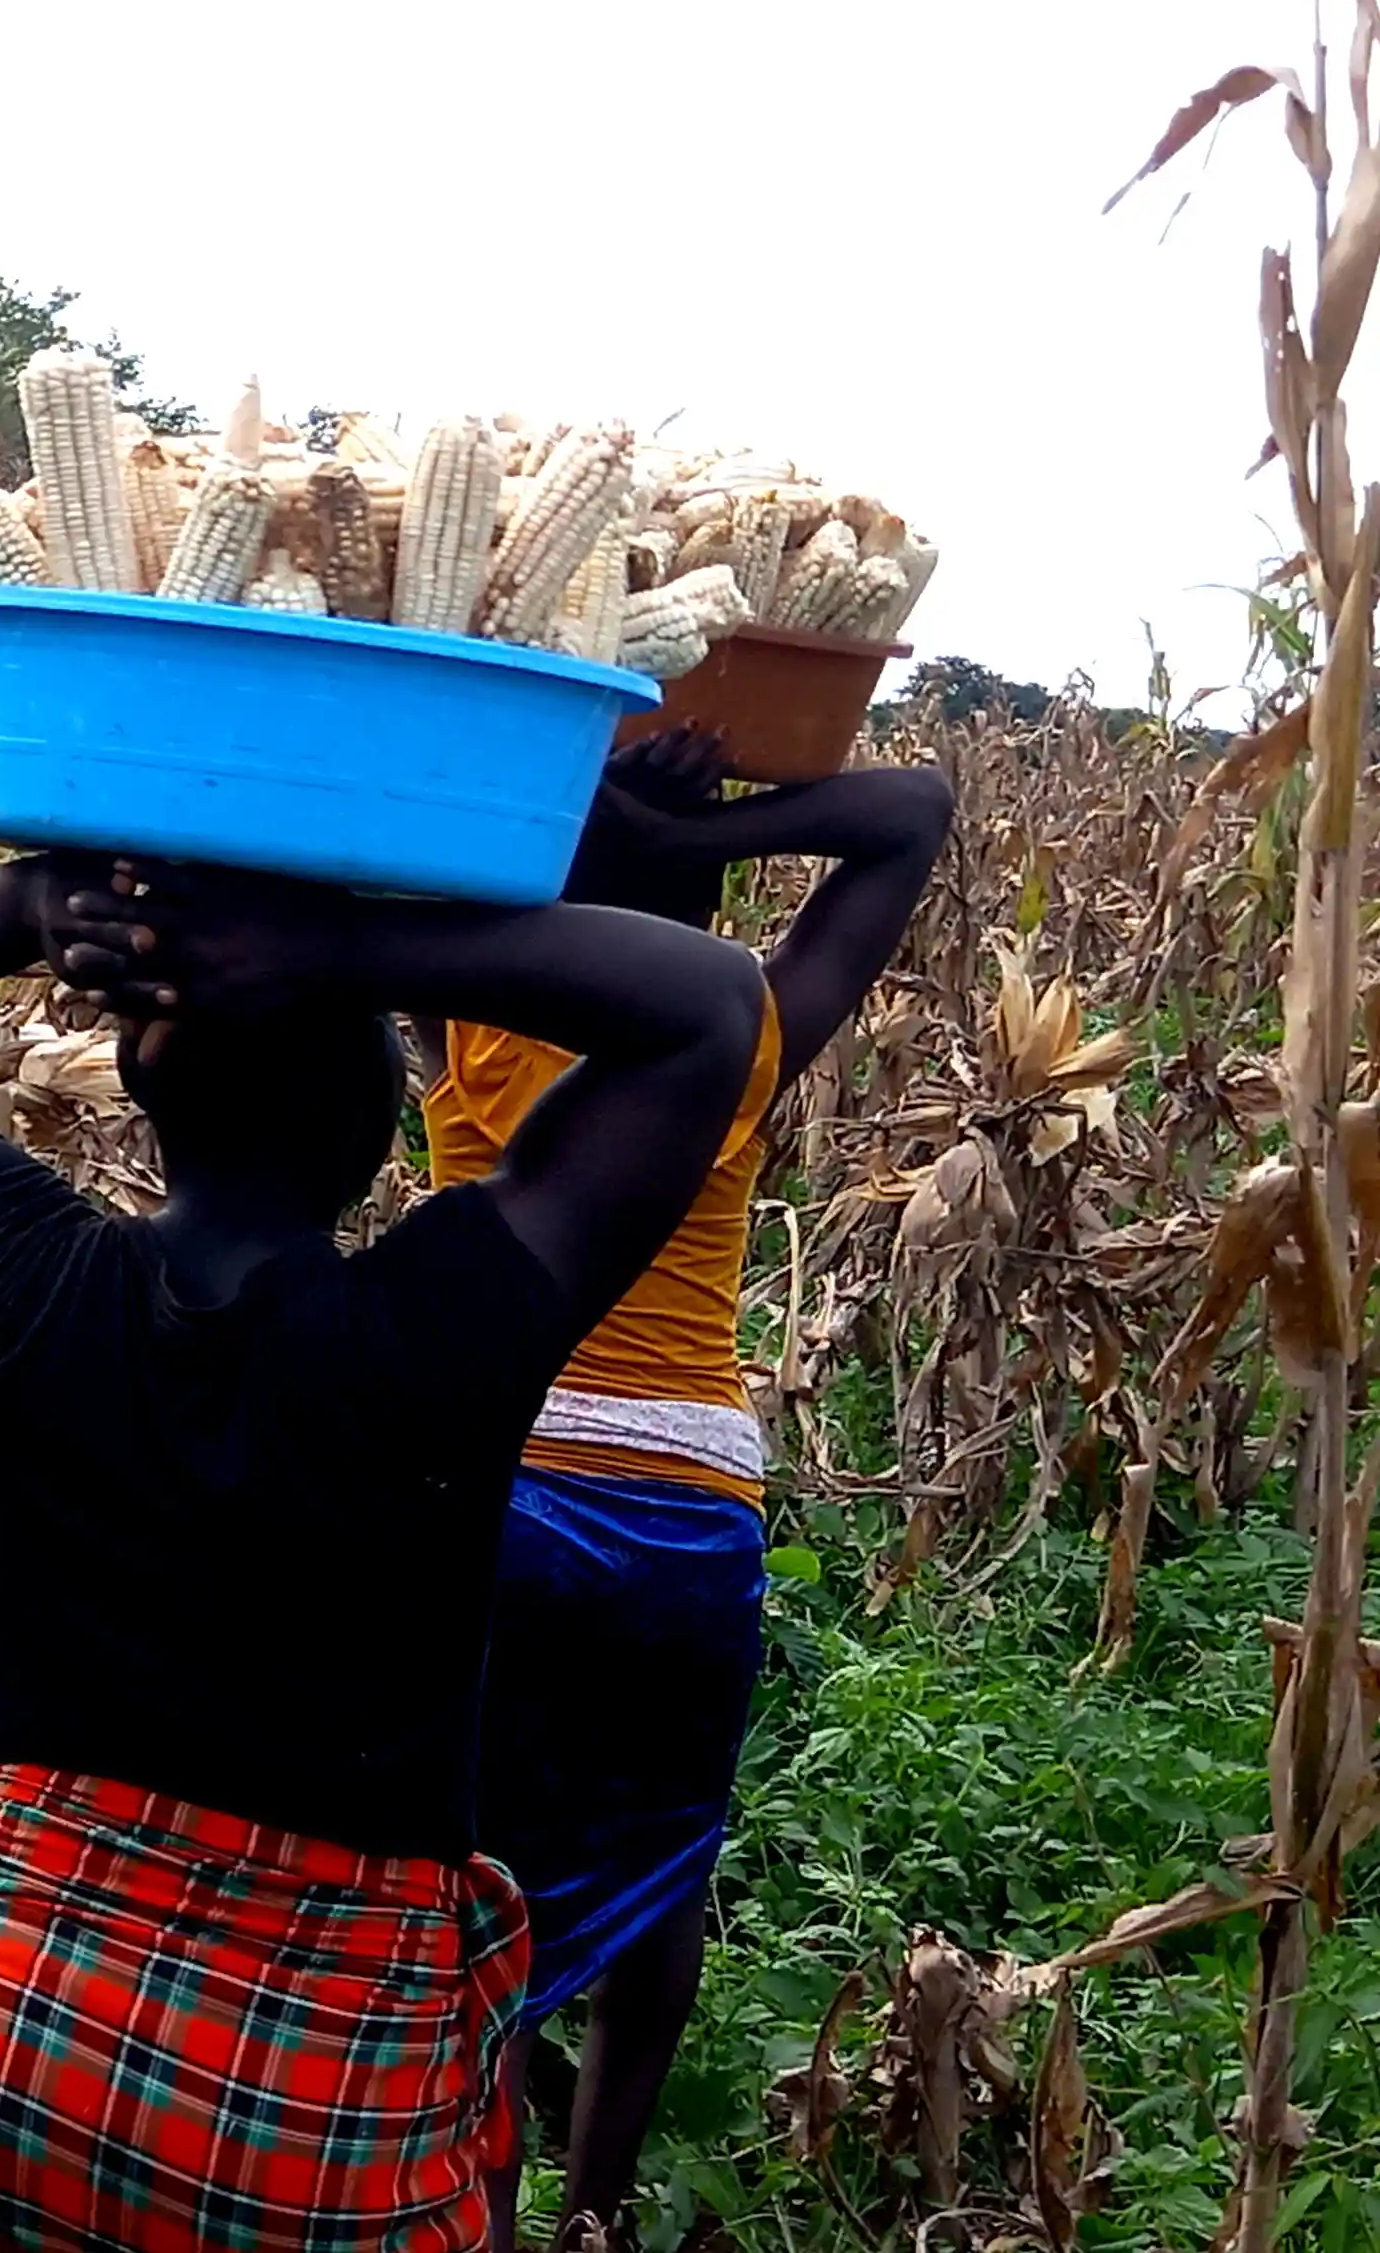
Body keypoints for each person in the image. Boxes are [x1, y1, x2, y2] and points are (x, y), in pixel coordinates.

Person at [0, 845, 766, 2251]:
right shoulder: (438, 1333)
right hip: (316, 2117)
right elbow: (711, 1007)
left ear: (145, 1078)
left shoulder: (12, 1280)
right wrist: (353, 946)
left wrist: (35, 905)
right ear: (375, 1125)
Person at [436, 733, 951, 2252]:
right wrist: (699, 824)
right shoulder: (742, 1030)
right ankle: (596, 2217)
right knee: (667, 1861)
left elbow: (374, 834)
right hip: (688, 1500)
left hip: (507, 1478)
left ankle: (480, 2196)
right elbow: (913, 808)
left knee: (470, 1864)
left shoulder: (475, 1016)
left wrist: (573, 793)